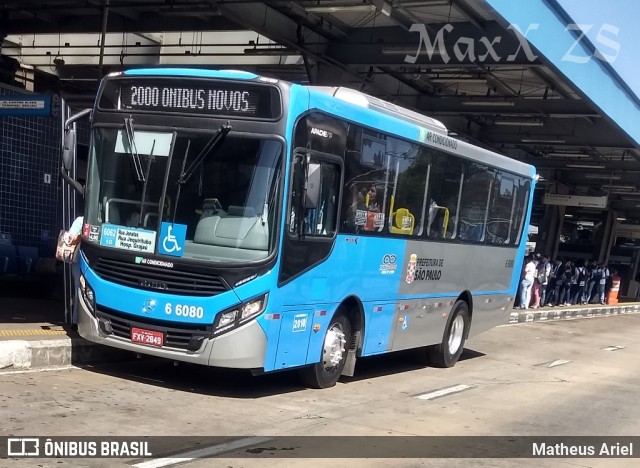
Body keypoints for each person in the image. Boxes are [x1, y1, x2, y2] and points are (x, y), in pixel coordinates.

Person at [65, 215, 84, 329]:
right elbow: (69, 239)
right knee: (78, 290)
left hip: (93, 260)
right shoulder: (80, 221)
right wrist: (82, 235)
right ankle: (75, 321)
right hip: (78, 261)